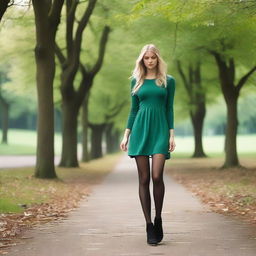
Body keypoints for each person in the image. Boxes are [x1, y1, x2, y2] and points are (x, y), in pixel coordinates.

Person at [120, 44, 176, 245]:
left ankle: (159, 218)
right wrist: (126, 135)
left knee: (156, 175)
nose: (150, 61)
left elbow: (169, 108)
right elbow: (134, 110)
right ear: (142, 60)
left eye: (153, 57)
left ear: (158, 59)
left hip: (160, 130)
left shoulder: (168, 81)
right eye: (146, 58)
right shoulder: (136, 81)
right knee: (144, 178)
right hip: (140, 130)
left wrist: (171, 134)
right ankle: (148, 224)